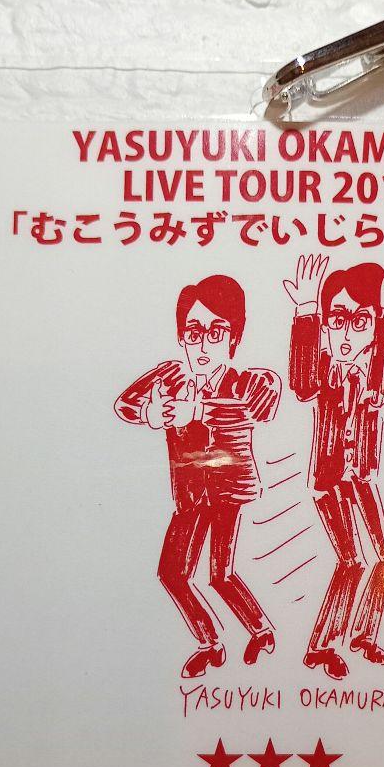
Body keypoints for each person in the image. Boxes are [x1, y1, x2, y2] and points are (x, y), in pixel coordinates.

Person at [115, 275, 280, 679]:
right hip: (189, 493)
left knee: (220, 574)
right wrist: (150, 413)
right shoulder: (170, 375)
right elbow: (124, 403)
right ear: (182, 337)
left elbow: (257, 407)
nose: (203, 345)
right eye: (193, 333)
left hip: (227, 490)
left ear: (234, 338)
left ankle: (261, 632)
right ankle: (211, 643)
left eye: (216, 333)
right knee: (172, 573)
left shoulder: (247, 380)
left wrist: (199, 410)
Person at [284, 254, 384, 681]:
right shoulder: (322, 369)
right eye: (337, 319)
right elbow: (301, 384)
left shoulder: (370, 375)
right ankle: (321, 647)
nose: (346, 333)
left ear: (374, 330)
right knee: (351, 561)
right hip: (329, 480)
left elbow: (380, 389)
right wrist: (306, 310)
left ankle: (363, 635)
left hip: (360, 476)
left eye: (361, 322)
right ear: (325, 324)